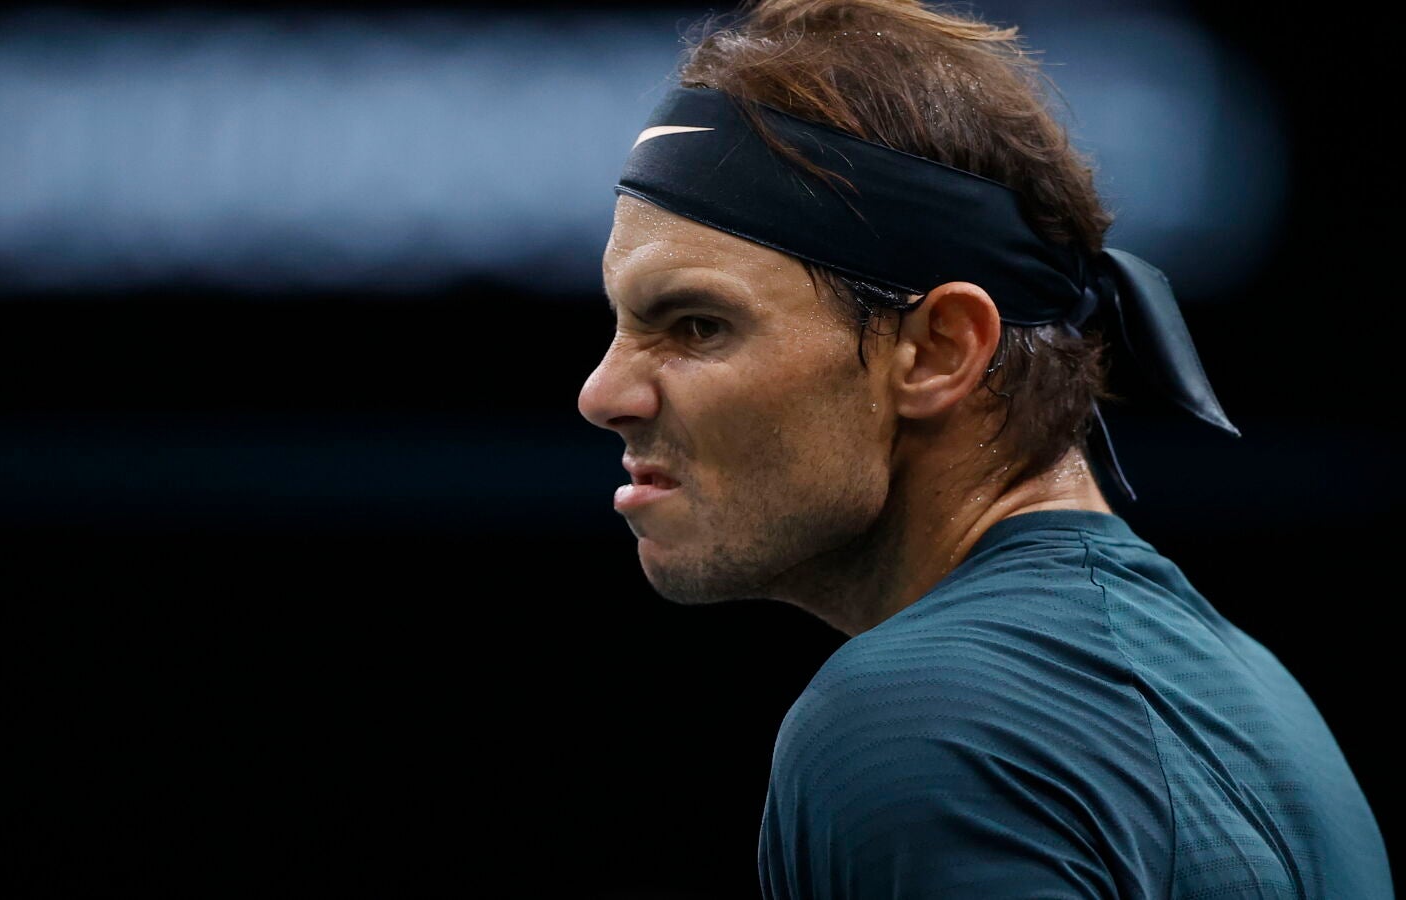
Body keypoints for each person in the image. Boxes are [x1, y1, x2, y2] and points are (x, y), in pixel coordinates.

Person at [576, 0, 1393, 896]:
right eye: (621, 324)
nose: (602, 395)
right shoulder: (1257, 693)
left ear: (938, 351)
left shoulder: (914, 726)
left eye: (697, 324)